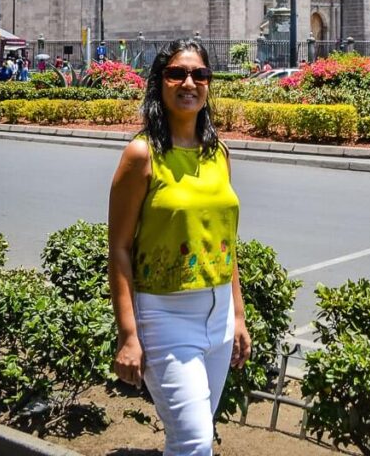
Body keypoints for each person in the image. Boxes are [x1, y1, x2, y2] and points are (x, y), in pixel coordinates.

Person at [108, 39, 250, 456]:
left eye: (199, 74)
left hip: (220, 317)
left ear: (209, 84)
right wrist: (128, 334)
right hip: (166, 316)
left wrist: (238, 316)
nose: (189, 82)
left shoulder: (218, 153)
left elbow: (228, 243)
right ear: (160, 83)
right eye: (177, 73)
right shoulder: (141, 154)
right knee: (193, 440)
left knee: (198, 435)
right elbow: (118, 249)